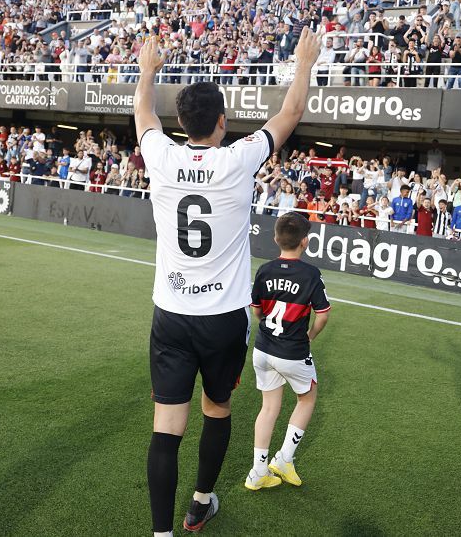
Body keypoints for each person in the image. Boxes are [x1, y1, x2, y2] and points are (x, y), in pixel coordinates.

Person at [137, 27, 322, 537]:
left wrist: (149, 70)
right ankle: (200, 503)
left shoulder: (160, 154)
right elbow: (289, 117)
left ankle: (161, 533)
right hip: (222, 319)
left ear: (181, 123)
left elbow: (143, 116)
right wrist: (303, 62)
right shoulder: (239, 158)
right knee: (217, 409)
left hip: (171, 315)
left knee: (165, 429)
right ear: (222, 122)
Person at [245, 213, 331, 491]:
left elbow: (256, 309)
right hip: (292, 351)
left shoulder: (265, 269)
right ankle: (283, 459)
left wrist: (267, 326)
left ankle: (258, 472)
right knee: (306, 399)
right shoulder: (310, 274)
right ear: (305, 242)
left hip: (263, 349)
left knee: (268, 407)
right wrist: (311, 336)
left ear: (275, 239)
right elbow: (323, 315)